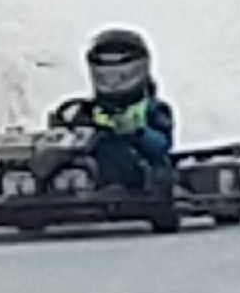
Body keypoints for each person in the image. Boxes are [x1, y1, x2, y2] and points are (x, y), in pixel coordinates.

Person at [59, 29, 176, 190]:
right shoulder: (87, 110)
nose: (111, 75)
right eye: (104, 64)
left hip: (141, 186)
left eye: (119, 63)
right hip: (92, 183)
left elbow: (161, 146)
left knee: (115, 150)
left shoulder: (152, 108)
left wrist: (138, 132)